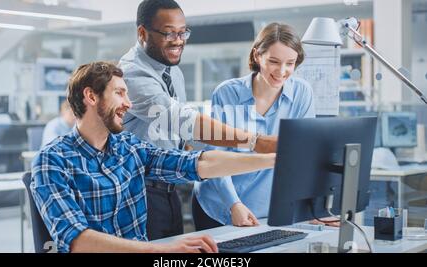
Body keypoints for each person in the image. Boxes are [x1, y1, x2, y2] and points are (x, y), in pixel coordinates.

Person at [30, 61, 276, 253]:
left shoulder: (128, 146)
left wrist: (274, 159)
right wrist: (161, 250)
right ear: (91, 97)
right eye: (119, 93)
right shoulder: (52, 160)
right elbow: (78, 241)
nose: (128, 103)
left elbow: (196, 163)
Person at [119, 0, 277, 240]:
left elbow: (185, 136)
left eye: (183, 32)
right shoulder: (132, 74)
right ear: (143, 33)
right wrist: (254, 141)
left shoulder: (173, 71)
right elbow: (182, 121)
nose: (179, 40)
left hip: (171, 190)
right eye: (169, 33)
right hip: (139, 193)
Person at [192, 22, 316, 230]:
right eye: (274, 62)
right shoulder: (227, 93)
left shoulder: (302, 93)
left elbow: (304, 154)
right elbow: (215, 157)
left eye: (290, 63)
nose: (282, 71)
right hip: (220, 203)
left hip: (266, 209)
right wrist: (234, 204)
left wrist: (313, 206)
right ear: (257, 56)